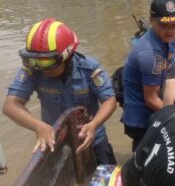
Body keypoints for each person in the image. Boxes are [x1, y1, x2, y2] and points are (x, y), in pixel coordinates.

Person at [3, 18, 117, 165]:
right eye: (34, 60)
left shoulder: (89, 68)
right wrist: (38, 125)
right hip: (56, 142)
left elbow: (109, 100)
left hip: (92, 138)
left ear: (67, 56)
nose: (41, 68)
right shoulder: (33, 70)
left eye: (46, 62)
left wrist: (94, 124)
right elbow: (10, 106)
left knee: (109, 181)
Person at [122, 0, 175, 150]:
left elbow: (167, 70)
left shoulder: (167, 40)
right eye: (164, 25)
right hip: (141, 118)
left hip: (154, 103)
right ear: (151, 21)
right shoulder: (150, 54)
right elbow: (151, 99)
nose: (170, 30)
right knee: (145, 161)